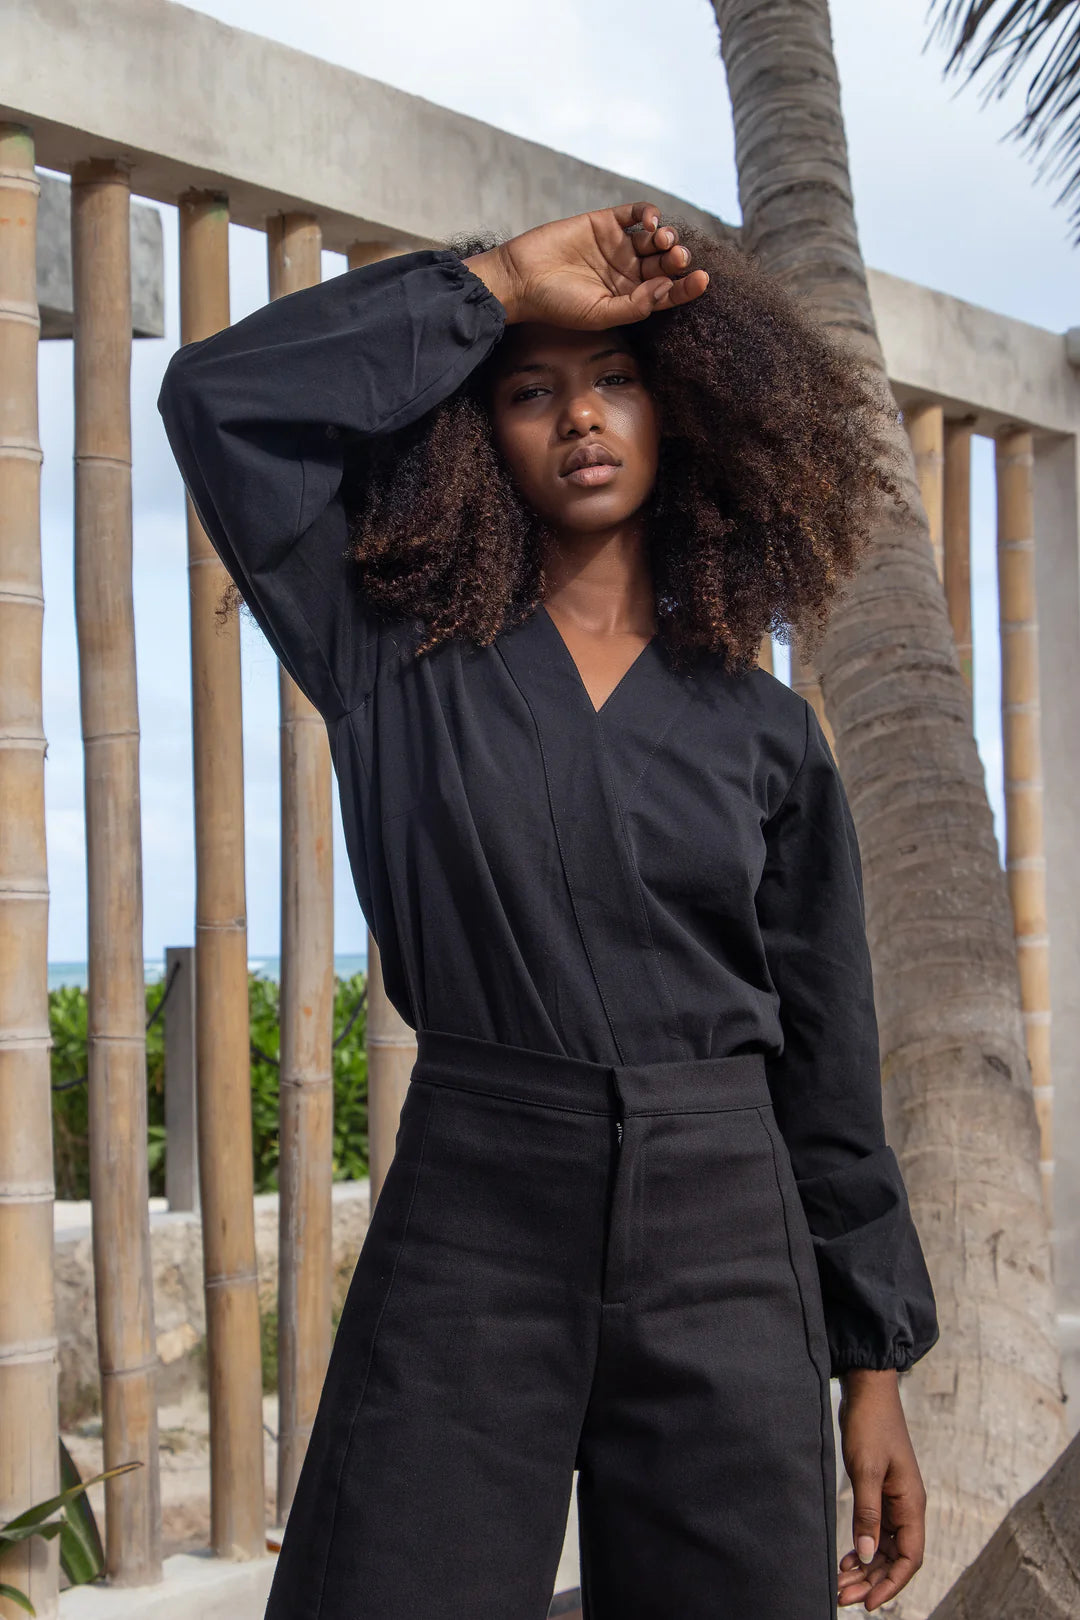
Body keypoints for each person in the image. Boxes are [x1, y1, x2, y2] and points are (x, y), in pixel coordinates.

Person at [158, 200, 939, 1620]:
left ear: (686, 413)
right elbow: (220, 401)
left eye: (617, 381)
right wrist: (498, 282)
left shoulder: (765, 733)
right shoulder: (390, 653)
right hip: (476, 1212)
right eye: (531, 389)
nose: (581, 418)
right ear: (475, 431)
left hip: (728, 1233)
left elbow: (830, 1071)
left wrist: (871, 1368)